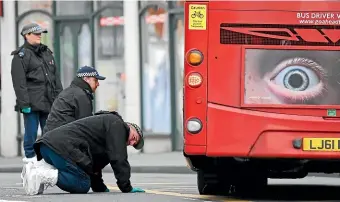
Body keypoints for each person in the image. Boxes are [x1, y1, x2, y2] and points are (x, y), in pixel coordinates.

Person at [21, 111, 145, 195]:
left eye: (133, 144)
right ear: (129, 126)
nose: (132, 142)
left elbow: (93, 167)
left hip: (48, 146)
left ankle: (39, 169)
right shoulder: (118, 125)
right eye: (135, 137)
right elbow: (119, 158)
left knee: (83, 175)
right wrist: (127, 188)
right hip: (59, 147)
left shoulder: (107, 132)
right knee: (83, 183)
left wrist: (99, 188)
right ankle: (41, 174)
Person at [11, 23, 63, 163]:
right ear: (26, 35)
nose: (40, 35)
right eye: (36, 33)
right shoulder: (20, 56)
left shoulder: (47, 53)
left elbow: (55, 79)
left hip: (49, 100)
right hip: (32, 103)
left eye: (41, 33)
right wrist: (24, 103)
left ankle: (46, 157)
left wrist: (60, 99)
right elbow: (19, 83)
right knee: (31, 132)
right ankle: (30, 157)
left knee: (50, 132)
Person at [43, 65, 106, 134]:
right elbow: (86, 125)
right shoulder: (81, 95)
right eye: (95, 80)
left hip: (52, 137)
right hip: (61, 139)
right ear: (86, 79)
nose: (98, 84)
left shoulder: (72, 91)